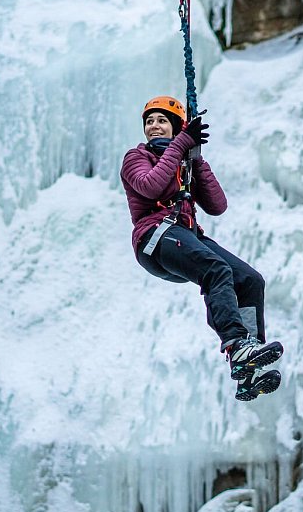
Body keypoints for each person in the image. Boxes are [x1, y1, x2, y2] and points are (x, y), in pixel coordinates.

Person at [120, 95, 283, 401]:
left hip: (185, 233)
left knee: (250, 280)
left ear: (175, 126)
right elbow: (150, 186)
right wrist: (182, 144)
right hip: (155, 235)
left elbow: (217, 205)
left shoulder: (184, 162)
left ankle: (249, 366)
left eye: (161, 121)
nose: (154, 126)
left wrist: (195, 159)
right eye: (149, 122)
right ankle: (237, 346)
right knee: (215, 269)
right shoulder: (135, 157)